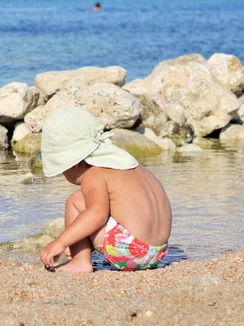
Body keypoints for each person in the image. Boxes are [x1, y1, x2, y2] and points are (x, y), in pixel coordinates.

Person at [39, 107, 172, 272]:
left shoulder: (93, 174)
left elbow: (97, 214)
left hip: (133, 254)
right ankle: (82, 251)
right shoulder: (130, 165)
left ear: (75, 161)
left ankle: (80, 262)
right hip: (159, 251)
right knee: (102, 204)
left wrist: (61, 242)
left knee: (76, 201)